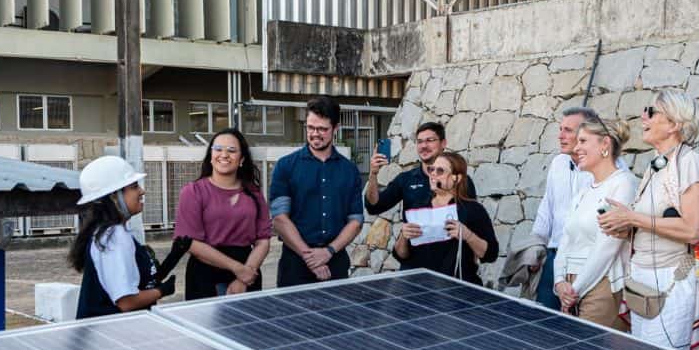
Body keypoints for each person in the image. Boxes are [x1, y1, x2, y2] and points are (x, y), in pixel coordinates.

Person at [598, 90, 699, 350]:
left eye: (651, 112)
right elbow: (650, 223)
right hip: (644, 281)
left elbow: (693, 229)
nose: (643, 117)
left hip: (671, 279)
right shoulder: (657, 165)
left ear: (674, 124)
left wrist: (632, 217)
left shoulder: (690, 162)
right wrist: (624, 226)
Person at [533, 107, 626, 310]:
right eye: (560, 129)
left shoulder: (614, 171)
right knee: (542, 322)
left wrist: (577, 286)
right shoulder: (558, 163)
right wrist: (536, 247)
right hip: (555, 258)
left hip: (591, 262)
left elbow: (609, 238)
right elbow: (547, 207)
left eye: (568, 130)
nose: (561, 136)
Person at [553, 116, 638, 330]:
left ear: (605, 144)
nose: (576, 148)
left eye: (583, 141)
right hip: (571, 285)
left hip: (602, 284)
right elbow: (565, 239)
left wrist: (575, 290)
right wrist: (559, 281)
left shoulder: (623, 184)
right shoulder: (583, 191)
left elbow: (606, 248)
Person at [269, 96, 364, 287]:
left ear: (335, 129)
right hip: (295, 265)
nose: (315, 134)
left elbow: (356, 221)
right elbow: (279, 219)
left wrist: (328, 251)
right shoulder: (285, 166)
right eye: (310, 127)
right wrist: (310, 257)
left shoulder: (350, 170)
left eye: (322, 129)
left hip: (335, 262)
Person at [69, 156, 175, 319]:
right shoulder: (114, 236)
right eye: (134, 187)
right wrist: (161, 291)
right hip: (109, 330)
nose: (142, 191)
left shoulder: (110, 233)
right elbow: (127, 302)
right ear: (114, 197)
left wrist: (175, 256)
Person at [173, 128, 273, 300]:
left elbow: (263, 240)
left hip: (248, 274)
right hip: (205, 275)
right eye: (218, 149)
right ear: (211, 156)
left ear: (242, 159)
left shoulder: (254, 194)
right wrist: (237, 269)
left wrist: (245, 275)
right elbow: (190, 243)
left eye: (232, 150)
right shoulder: (193, 192)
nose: (224, 155)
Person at [393, 152, 499, 284]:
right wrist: (403, 236)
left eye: (440, 171)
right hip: (420, 286)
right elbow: (401, 255)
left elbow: (491, 254)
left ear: (456, 178)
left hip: (458, 287)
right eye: (431, 169)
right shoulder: (418, 207)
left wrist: (468, 235)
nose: (433, 174)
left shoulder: (473, 210)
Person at [365, 122, 477, 216]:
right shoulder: (405, 179)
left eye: (430, 140)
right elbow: (374, 207)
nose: (424, 146)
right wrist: (373, 174)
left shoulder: (460, 181)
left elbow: (472, 220)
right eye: (420, 141)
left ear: (443, 143)